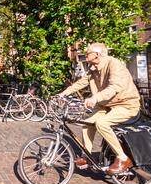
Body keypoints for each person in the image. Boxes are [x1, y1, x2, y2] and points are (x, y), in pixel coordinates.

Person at [59, 43, 141, 174]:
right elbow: (81, 83)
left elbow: (115, 87)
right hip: (106, 105)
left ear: (97, 54)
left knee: (101, 123)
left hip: (126, 104)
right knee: (87, 124)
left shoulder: (114, 64)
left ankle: (123, 157)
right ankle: (87, 157)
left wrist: (95, 98)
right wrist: (62, 94)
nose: (85, 54)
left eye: (87, 53)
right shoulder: (93, 68)